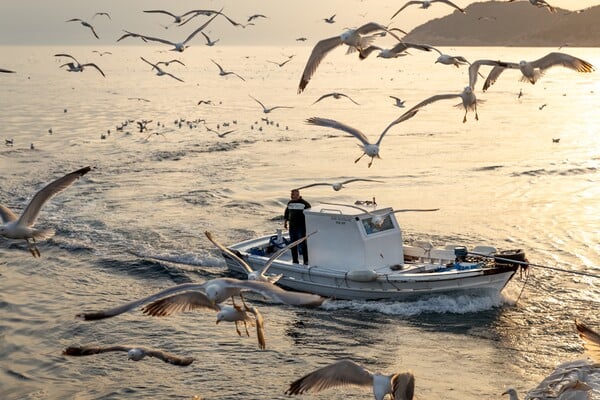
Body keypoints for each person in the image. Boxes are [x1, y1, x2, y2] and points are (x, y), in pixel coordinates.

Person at [284, 189, 311, 264]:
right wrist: (285, 223)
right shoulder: (290, 203)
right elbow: (287, 213)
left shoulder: (305, 204)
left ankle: (306, 260)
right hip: (292, 227)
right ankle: (295, 261)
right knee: (293, 244)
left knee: (302, 244)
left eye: (293, 195)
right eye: (291, 195)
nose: (291, 196)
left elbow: (309, 215)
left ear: (298, 194)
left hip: (301, 227)